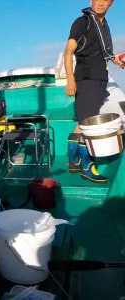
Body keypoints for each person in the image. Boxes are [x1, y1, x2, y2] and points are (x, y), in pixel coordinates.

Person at [64, 0, 125, 183]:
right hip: (86, 80)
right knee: (88, 125)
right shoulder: (83, 22)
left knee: (83, 121)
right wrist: (70, 81)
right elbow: (68, 52)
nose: (100, 3)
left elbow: (102, 53)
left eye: (105, 0)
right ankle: (86, 167)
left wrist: (117, 59)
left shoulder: (103, 25)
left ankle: (74, 161)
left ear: (111, 4)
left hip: (99, 80)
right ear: (91, 1)